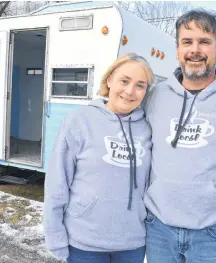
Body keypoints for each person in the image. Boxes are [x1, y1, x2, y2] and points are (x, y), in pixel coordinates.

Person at [144, 9, 216, 263]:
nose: (195, 50)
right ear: (177, 50)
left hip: (212, 236)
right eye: (187, 42)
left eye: (204, 42)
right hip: (158, 232)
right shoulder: (155, 96)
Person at [44, 53, 153, 263]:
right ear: (109, 80)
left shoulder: (147, 128)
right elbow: (58, 181)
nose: (130, 91)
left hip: (132, 243)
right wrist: (54, 234)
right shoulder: (79, 121)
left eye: (140, 85)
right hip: (84, 242)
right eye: (124, 81)